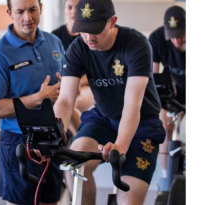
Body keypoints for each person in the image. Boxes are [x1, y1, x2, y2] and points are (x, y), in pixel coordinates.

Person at [53, 0, 166, 204]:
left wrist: (121, 146)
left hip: (142, 124)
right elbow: (66, 99)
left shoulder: (136, 44)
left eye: (95, 29)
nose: (88, 38)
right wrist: (50, 134)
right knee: (73, 167)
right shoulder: (79, 47)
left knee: (128, 200)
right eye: (83, 30)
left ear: (112, 21)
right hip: (103, 119)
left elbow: (132, 104)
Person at [0, 0, 66, 204]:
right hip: (19, 142)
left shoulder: (54, 42)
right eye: (20, 11)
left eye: (32, 9)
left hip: (52, 140)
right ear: (10, 12)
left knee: (51, 200)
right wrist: (38, 98)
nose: (27, 17)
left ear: (41, 8)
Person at [148, 5, 186, 179]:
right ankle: (166, 179)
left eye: (181, 36)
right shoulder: (156, 39)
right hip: (172, 92)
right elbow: (153, 77)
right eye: (173, 37)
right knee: (164, 128)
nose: (177, 41)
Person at [52, 0, 94, 137]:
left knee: (70, 105)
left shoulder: (90, 36)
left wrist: (78, 83)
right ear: (65, 9)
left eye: (77, 8)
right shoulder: (55, 37)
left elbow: (97, 69)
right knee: (59, 103)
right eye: (69, 7)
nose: (73, 11)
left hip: (86, 86)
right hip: (63, 85)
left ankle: (80, 142)